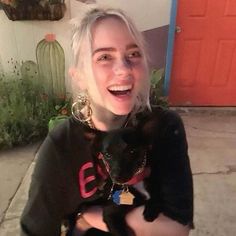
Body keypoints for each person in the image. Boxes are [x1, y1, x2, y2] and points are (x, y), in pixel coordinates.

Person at [20, 7, 194, 236]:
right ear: (79, 77)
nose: (123, 69)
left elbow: (177, 227)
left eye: (133, 54)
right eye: (104, 57)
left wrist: (91, 217)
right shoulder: (63, 144)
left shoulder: (162, 126)